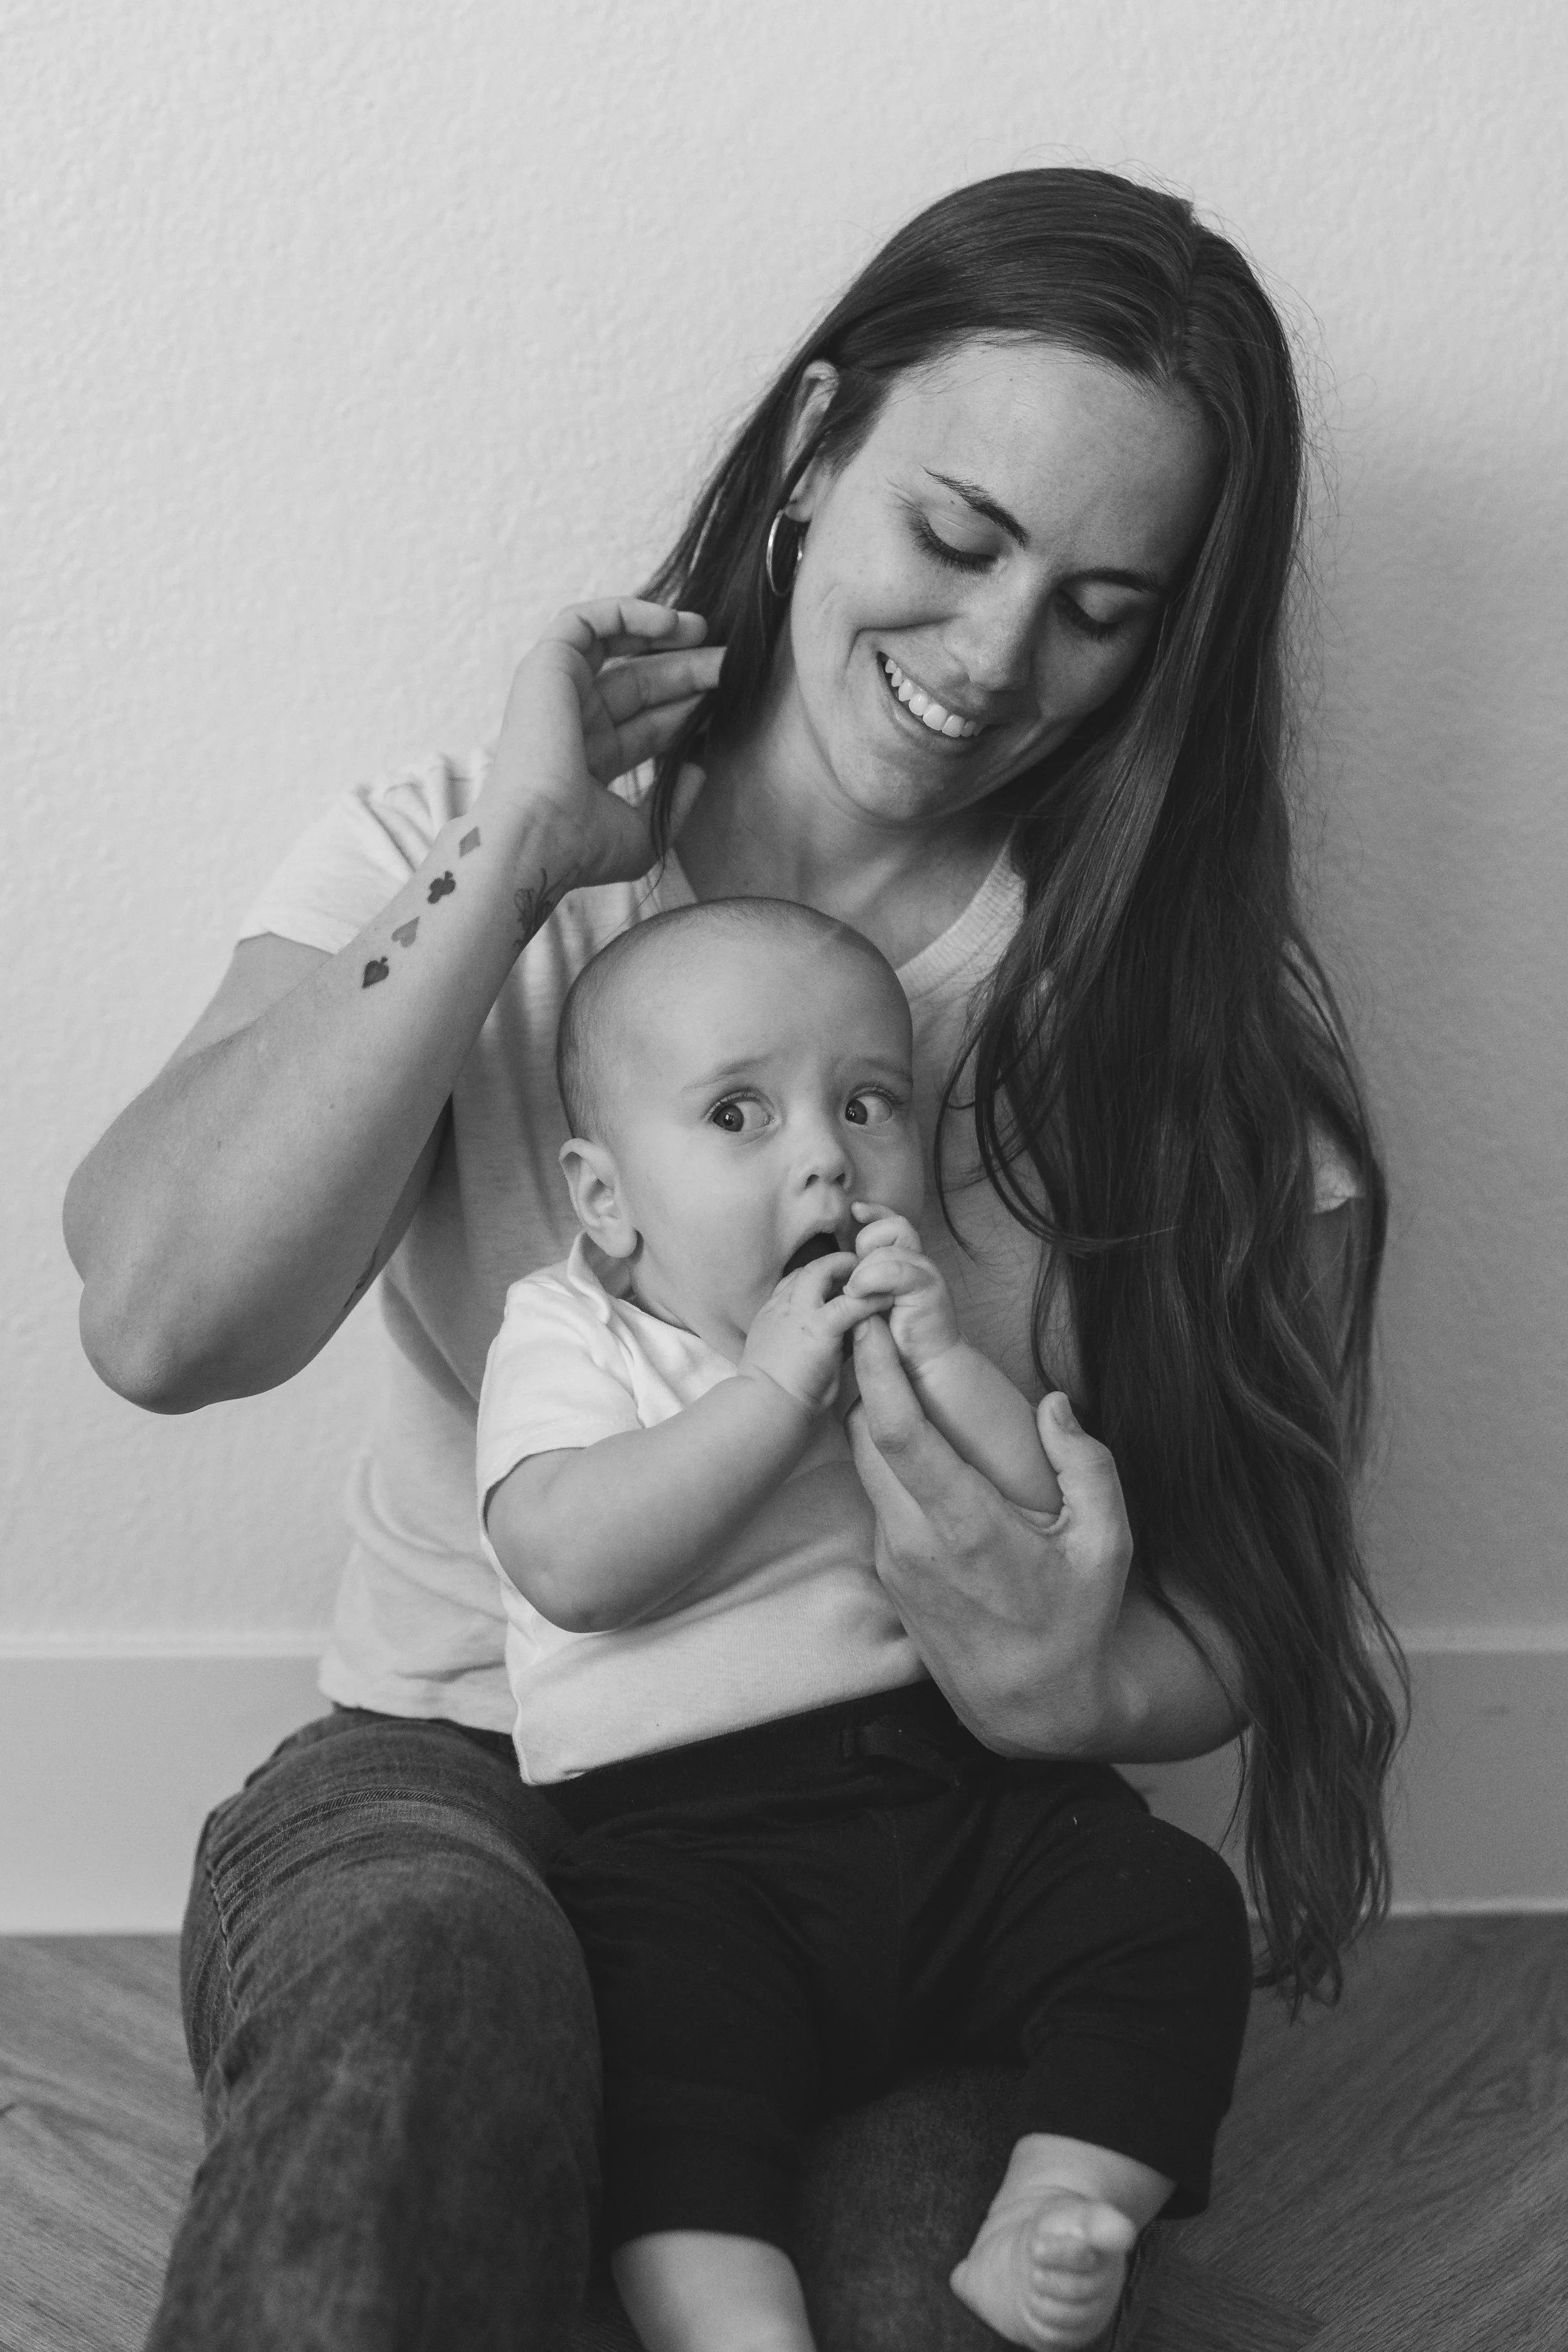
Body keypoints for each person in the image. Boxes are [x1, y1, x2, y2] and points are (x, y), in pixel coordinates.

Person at [63, 167, 1402, 2351]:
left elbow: (1241, 1623)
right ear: (810, 455)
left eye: (1099, 606)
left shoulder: (1184, 1047)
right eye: (956, 539)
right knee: (412, 2043)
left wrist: (1064, 1684)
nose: (990, 659)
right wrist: (516, 872)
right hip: (453, 1780)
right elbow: (161, 1317)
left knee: (922, 2304)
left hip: (922, 1836)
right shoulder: (455, 856)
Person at [477, 895, 1253, 2352]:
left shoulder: (914, 1329)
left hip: (958, 1795)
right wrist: (767, 1397)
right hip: (692, 1842)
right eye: (738, 1113)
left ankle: (1056, 2205)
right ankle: (730, 2324)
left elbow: (1044, 1533)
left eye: (866, 1103)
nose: (825, 1155)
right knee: (661, 2068)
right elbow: (566, 1562)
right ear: (603, 1198)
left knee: (1163, 1908)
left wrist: (950, 1365)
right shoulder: (577, 1337)